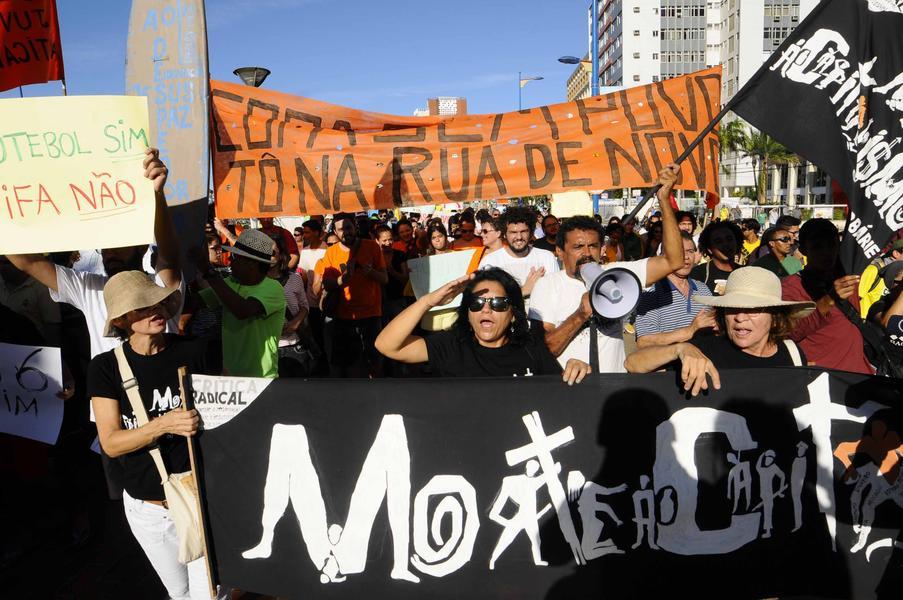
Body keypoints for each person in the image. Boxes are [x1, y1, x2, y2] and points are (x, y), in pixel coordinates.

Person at [86, 271, 227, 600]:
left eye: (160, 302)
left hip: (198, 495)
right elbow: (110, 442)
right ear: (122, 320)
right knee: (178, 594)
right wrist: (163, 424)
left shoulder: (195, 351)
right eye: (142, 307)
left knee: (209, 594)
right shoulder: (105, 368)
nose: (157, 310)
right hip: (146, 508)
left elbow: (226, 412)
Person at [6, 148, 181, 358]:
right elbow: (27, 262)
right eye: (105, 248)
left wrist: (156, 194)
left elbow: (169, 255)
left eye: (118, 244)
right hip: (110, 391)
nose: (110, 253)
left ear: (142, 246)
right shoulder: (90, 289)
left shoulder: (161, 288)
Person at [529, 164, 685, 373]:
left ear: (601, 248)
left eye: (592, 246)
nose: (586, 253)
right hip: (567, 389)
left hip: (614, 387)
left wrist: (664, 200)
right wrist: (581, 314)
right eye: (577, 247)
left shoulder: (618, 274)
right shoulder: (547, 286)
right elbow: (545, 350)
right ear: (559, 251)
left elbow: (673, 261)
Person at [375, 268, 590, 382]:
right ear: (467, 312)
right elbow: (387, 345)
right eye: (477, 303)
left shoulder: (532, 349)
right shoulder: (450, 346)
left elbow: (559, 394)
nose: (486, 309)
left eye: (498, 303)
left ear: (513, 313)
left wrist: (576, 369)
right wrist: (427, 302)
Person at [625, 267, 813, 396]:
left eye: (753, 310)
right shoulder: (706, 350)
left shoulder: (793, 354)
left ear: (775, 318)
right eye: (732, 309)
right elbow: (633, 364)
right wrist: (679, 349)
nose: (740, 317)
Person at [781, 219, 873, 374]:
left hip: (860, 375)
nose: (826, 252)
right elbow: (788, 331)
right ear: (803, 249)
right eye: (817, 246)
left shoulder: (848, 279)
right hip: (823, 382)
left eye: (831, 244)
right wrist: (829, 300)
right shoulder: (792, 286)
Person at [194, 229, 287, 378]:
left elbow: (242, 311)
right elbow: (196, 303)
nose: (230, 260)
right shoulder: (230, 283)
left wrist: (208, 272)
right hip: (230, 377)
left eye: (235, 257)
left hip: (262, 378)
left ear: (251, 264)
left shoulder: (273, 288)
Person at [313, 214, 388, 377]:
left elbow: (384, 278)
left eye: (348, 227)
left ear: (355, 227)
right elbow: (325, 283)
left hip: (371, 315)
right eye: (341, 229)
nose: (345, 232)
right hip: (344, 317)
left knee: (375, 359)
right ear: (335, 231)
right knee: (351, 363)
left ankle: (377, 391)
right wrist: (343, 279)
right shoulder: (331, 253)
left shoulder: (372, 247)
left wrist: (370, 272)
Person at [635, 232, 715, 348]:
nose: (686, 257)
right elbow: (644, 342)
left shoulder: (703, 289)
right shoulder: (652, 292)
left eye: (690, 251)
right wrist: (690, 330)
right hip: (668, 365)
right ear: (664, 256)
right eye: (680, 252)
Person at [479, 206, 559, 297]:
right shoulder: (490, 262)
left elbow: (556, 293)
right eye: (513, 232)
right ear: (504, 234)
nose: (519, 237)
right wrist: (523, 290)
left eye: (524, 231)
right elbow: (486, 301)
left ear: (531, 233)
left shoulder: (546, 257)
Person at [268, 236, 310, 377]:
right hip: (267, 348)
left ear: (282, 255)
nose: (267, 255)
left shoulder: (295, 279)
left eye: (272, 252)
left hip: (294, 346)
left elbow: (305, 305)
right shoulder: (256, 283)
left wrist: (295, 323)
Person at [0, 255, 61, 345]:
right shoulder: (0, 282)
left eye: (6, 263)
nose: (1, 267)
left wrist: (50, 353)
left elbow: (53, 326)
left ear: (20, 263)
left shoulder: (42, 287)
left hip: (32, 347)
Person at [689, 220, 744, 293]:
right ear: (709, 249)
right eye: (718, 241)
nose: (726, 245)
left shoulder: (746, 273)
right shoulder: (697, 274)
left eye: (729, 239)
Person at [858, 237, 903, 318]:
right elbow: (856, 298)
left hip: (881, 324)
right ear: (896, 253)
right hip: (862, 323)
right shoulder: (873, 270)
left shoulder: (900, 274)